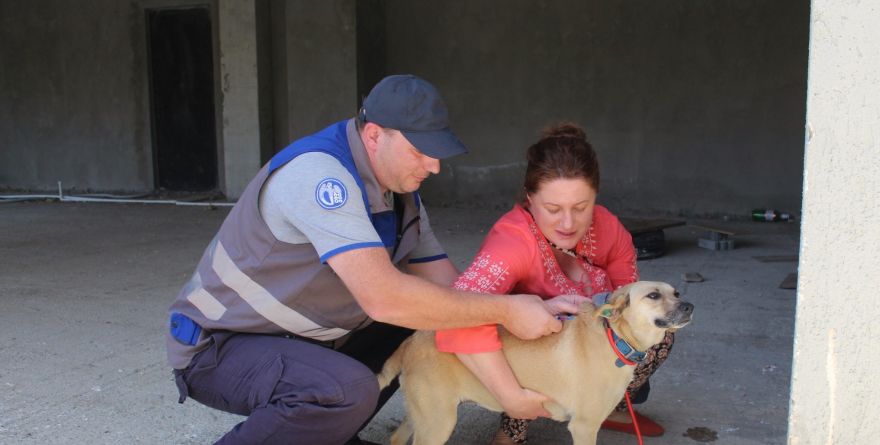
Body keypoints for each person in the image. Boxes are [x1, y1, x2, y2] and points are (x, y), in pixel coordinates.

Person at [165, 74, 581, 445]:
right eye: (422, 151)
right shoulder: (320, 177)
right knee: (347, 390)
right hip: (220, 346)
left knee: (427, 322)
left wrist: (529, 316)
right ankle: (325, 414)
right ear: (375, 136)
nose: (434, 166)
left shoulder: (401, 196)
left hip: (294, 340)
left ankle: (328, 430)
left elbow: (453, 292)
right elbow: (385, 299)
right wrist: (508, 311)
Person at [435, 123, 676, 444]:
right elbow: (454, 318)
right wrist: (511, 397)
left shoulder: (610, 229)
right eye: (552, 209)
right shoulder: (511, 244)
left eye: (581, 207)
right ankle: (514, 425)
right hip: (533, 350)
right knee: (526, 339)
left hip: (591, 342)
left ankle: (607, 405)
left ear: (595, 197)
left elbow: (631, 305)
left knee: (660, 335)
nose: (567, 223)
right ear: (530, 198)